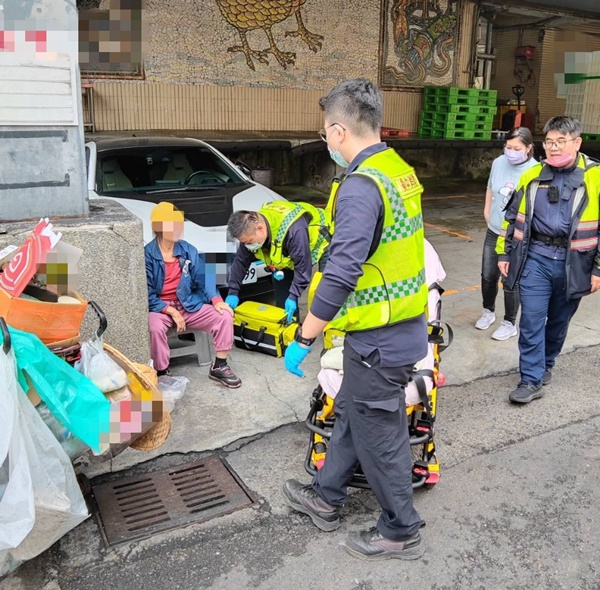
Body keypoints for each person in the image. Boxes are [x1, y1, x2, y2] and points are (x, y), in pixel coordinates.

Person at [281, 79, 429, 561]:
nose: (327, 143)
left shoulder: (362, 186)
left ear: (339, 130)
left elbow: (344, 269)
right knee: (353, 414)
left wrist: (307, 333)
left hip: (378, 341)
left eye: (326, 134)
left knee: (379, 435)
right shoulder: (395, 169)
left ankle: (400, 530)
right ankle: (325, 497)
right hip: (399, 327)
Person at [497, 116, 600, 404]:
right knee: (530, 319)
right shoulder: (532, 175)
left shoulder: (595, 176)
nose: (553, 148)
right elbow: (512, 217)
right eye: (550, 142)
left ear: (577, 142)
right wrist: (504, 253)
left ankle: (547, 362)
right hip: (536, 259)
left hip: (575, 263)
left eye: (561, 142)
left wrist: (598, 269)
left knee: (558, 320)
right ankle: (530, 379)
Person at [145, 202, 241, 389]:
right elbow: (147, 294)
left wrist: (217, 300)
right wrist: (172, 311)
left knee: (224, 315)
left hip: (188, 303)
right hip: (161, 307)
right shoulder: (148, 255)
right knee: (154, 327)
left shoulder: (188, 249)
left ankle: (219, 365)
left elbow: (204, 278)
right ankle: (162, 371)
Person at [476, 127, 537, 340]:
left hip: (515, 236)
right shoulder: (498, 163)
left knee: (510, 279)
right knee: (488, 274)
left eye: (516, 148)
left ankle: (509, 322)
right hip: (494, 230)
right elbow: (490, 189)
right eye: (508, 147)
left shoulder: (535, 171)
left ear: (528, 149)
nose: (510, 151)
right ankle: (488, 311)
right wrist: (487, 212)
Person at [224, 201, 328, 322]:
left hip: (324, 241)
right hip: (289, 253)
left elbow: (303, 267)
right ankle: (290, 335)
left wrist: (294, 295)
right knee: (284, 305)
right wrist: (233, 291)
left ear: (260, 229)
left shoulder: (293, 231)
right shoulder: (250, 231)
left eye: (249, 242)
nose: (247, 246)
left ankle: (331, 333)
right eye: (244, 243)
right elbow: (241, 262)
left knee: (326, 295)